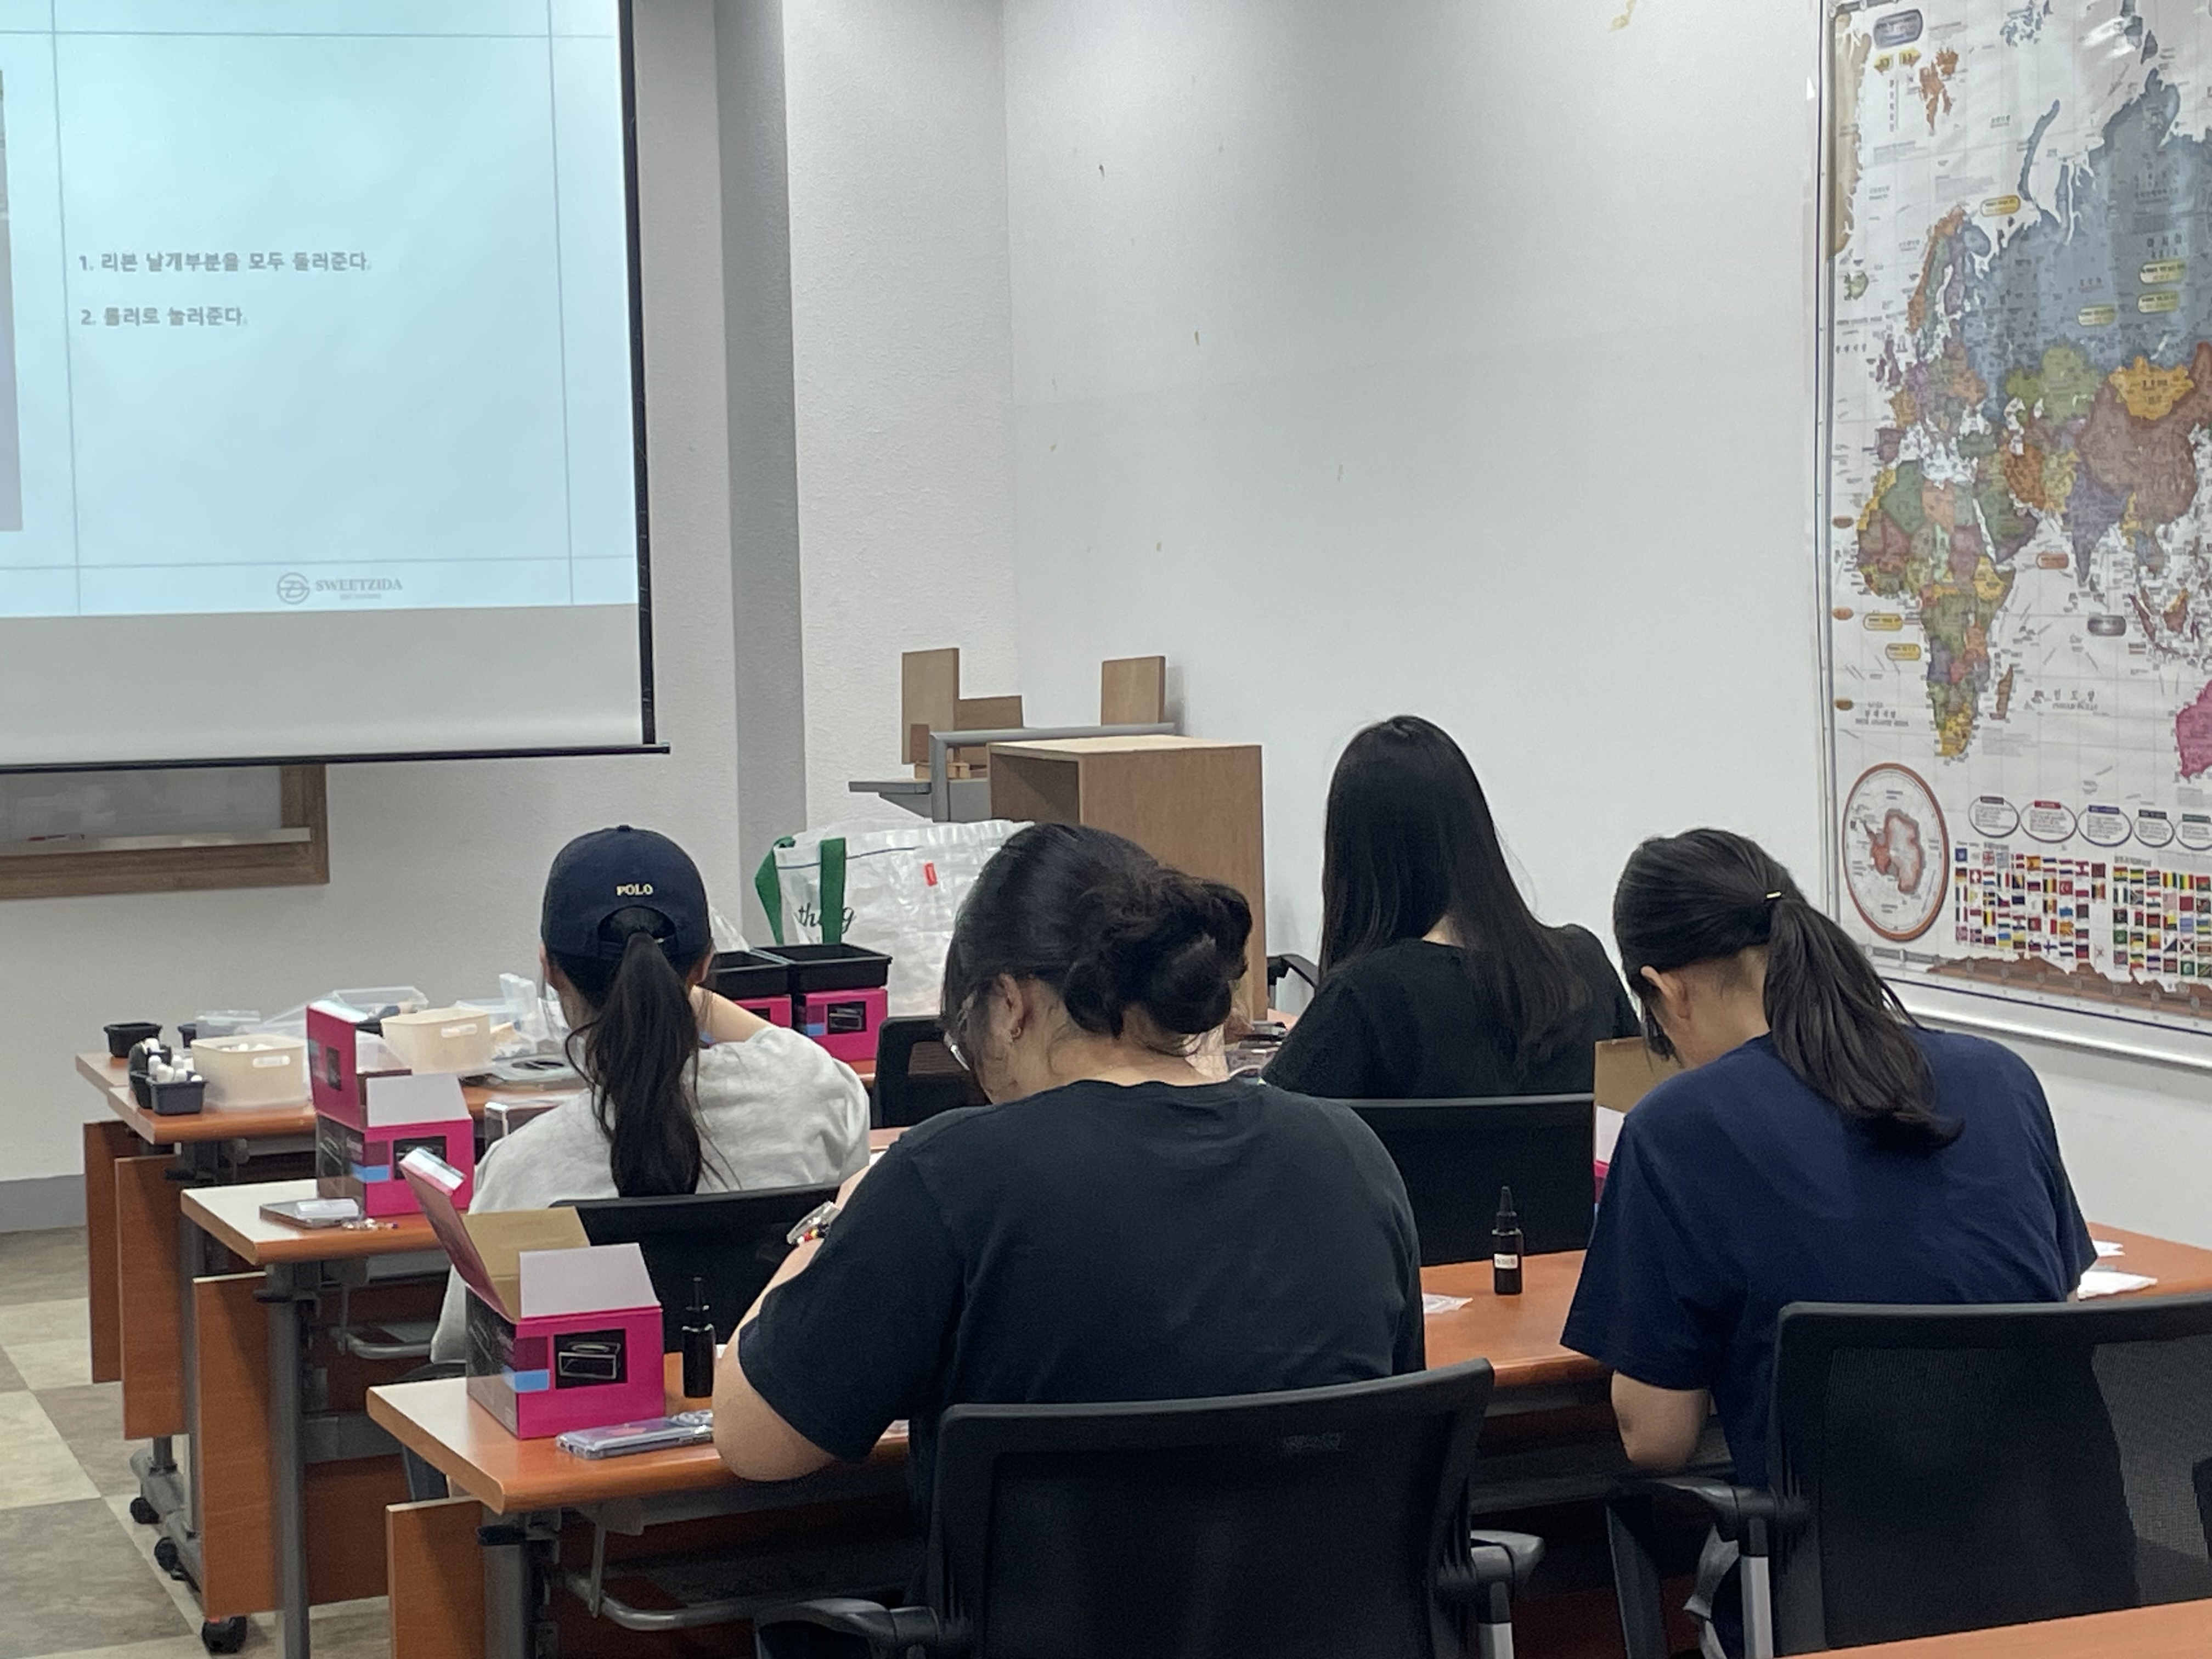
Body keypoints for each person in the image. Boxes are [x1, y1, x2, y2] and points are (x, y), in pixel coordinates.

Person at [712, 822, 1424, 1505]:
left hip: (1044, 1599)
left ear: (1009, 1004)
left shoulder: (947, 1176)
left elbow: (755, 1443)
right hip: (1325, 1595)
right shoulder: (1348, 1153)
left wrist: (835, 1219)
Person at [1562, 828, 2094, 1488]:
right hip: (2056, 1535)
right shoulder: (2001, 1077)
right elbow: (2059, 1310)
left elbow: (1657, 1438)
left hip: (1833, 1549)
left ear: (1667, 991)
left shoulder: (1676, 1128)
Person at [430, 826, 869, 1362]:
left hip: (588, 1413)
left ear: (550, 969)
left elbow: (460, 1350)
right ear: (706, 964)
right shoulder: (821, 1094)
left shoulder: (520, 1165)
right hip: (779, 1401)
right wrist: (677, 989)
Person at [1265, 715, 1639, 1099]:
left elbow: (1271, 1122)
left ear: (1354, 860)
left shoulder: (1363, 997)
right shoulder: (1587, 965)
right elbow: (1637, 1106)